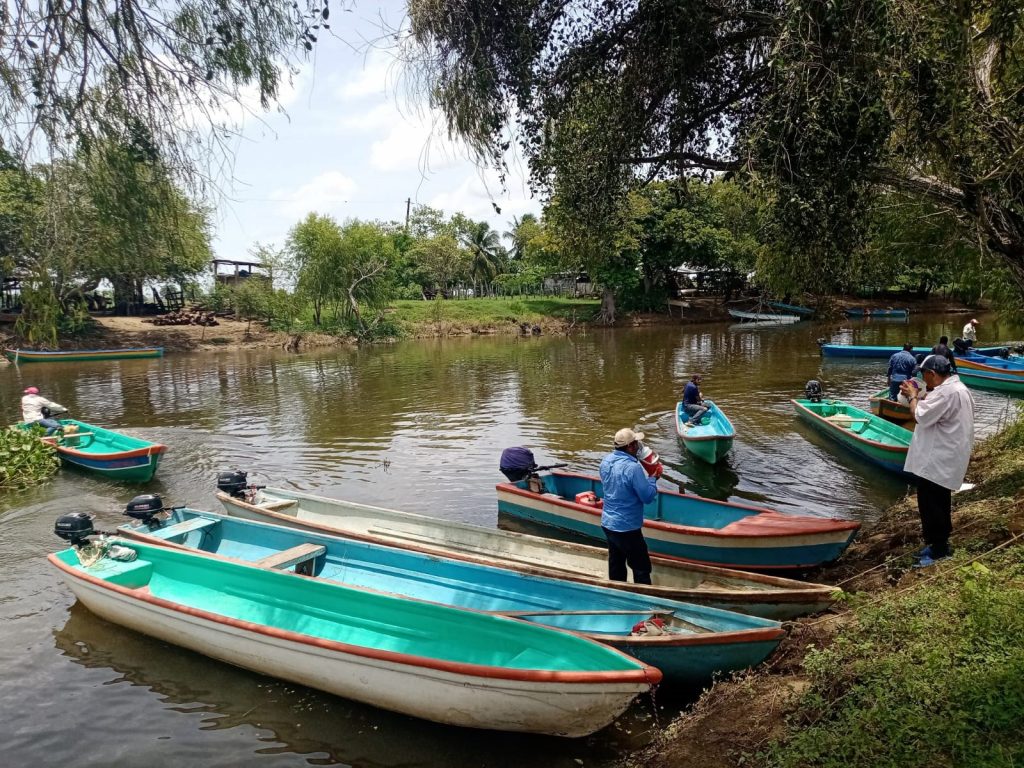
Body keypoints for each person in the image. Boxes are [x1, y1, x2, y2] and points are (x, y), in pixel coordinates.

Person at [900, 355, 975, 567]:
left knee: (931, 504)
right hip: (948, 456)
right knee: (939, 501)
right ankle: (937, 545)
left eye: (923, 374)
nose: (922, 378)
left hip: (938, 459)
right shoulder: (959, 389)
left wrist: (914, 396)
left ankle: (939, 552)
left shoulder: (947, 392)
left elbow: (919, 415)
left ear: (931, 374)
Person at [598, 428, 662, 584]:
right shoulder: (633, 468)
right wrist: (653, 478)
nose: (639, 446)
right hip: (627, 527)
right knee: (641, 567)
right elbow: (647, 497)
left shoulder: (605, 461)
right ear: (630, 447)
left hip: (608, 523)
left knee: (616, 562)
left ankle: (618, 592)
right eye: (636, 443)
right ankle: (643, 598)